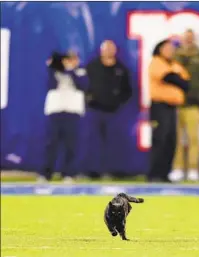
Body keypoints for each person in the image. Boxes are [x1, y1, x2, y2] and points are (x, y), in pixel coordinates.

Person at [168, 29, 199, 183]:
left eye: (191, 37)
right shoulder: (173, 56)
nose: (188, 40)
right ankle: (177, 168)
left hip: (194, 102)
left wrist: (197, 89)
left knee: (194, 139)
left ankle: (193, 169)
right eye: (186, 37)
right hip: (174, 103)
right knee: (176, 139)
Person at [85, 40, 132, 179]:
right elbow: (84, 84)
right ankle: (93, 171)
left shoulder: (121, 69)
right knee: (93, 141)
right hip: (95, 109)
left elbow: (128, 90)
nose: (109, 51)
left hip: (113, 111)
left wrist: (118, 101)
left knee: (113, 141)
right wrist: (89, 98)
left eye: (112, 48)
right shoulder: (93, 66)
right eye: (106, 48)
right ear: (101, 50)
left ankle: (112, 170)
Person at [39, 52, 88, 183]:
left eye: (73, 59)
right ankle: (46, 173)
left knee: (70, 144)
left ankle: (68, 173)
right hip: (55, 110)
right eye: (67, 59)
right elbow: (50, 85)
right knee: (51, 143)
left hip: (73, 111)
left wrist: (71, 70)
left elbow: (82, 86)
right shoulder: (54, 72)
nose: (69, 62)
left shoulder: (81, 72)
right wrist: (51, 68)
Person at [148, 39, 190, 182]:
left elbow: (185, 82)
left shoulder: (173, 64)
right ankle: (155, 174)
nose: (170, 51)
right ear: (160, 49)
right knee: (160, 138)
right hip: (160, 106)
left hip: (172, 107)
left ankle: (165, 173)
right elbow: (170, 78)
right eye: (167, 48)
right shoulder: (156, 62)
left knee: (171, 140)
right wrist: (176, 77)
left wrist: (177, 77)